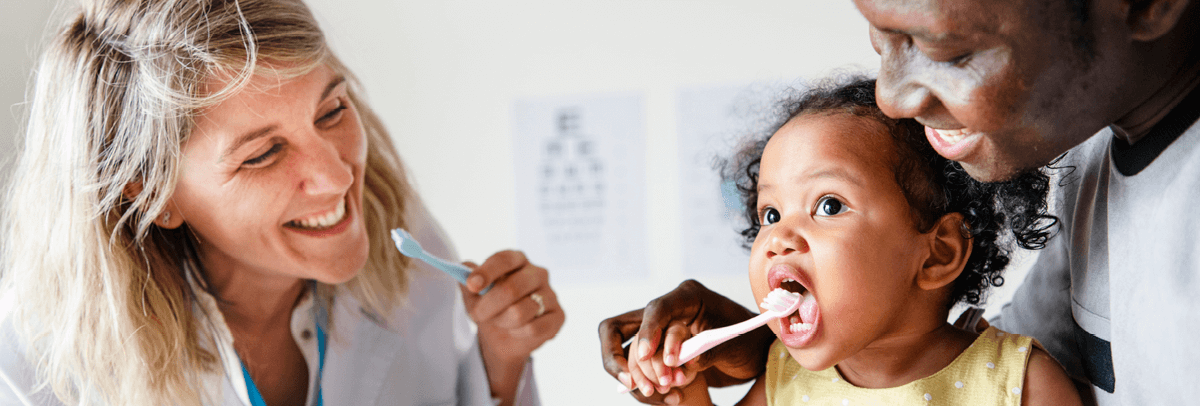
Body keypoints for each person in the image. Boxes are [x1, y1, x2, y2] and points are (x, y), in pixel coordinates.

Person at [600, 0, 1200, 404]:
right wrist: (763, 351)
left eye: (946, 49)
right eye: (770, 215)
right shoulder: (1094, 154)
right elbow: (971, 350)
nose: (891, 96)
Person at [0, 0, 564, 405]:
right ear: (151, 194)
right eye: (264, 153)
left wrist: (502, 357)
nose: (337, 176)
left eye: (332, 112)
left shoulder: (410, 246)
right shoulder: (40, 363)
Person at [620, 77, 1078, 405]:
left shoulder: (1022, 387)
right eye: (771, 214)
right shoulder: (783, 381)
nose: (778, 238)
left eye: (829, 205)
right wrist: (685, 396)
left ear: (937, 253)